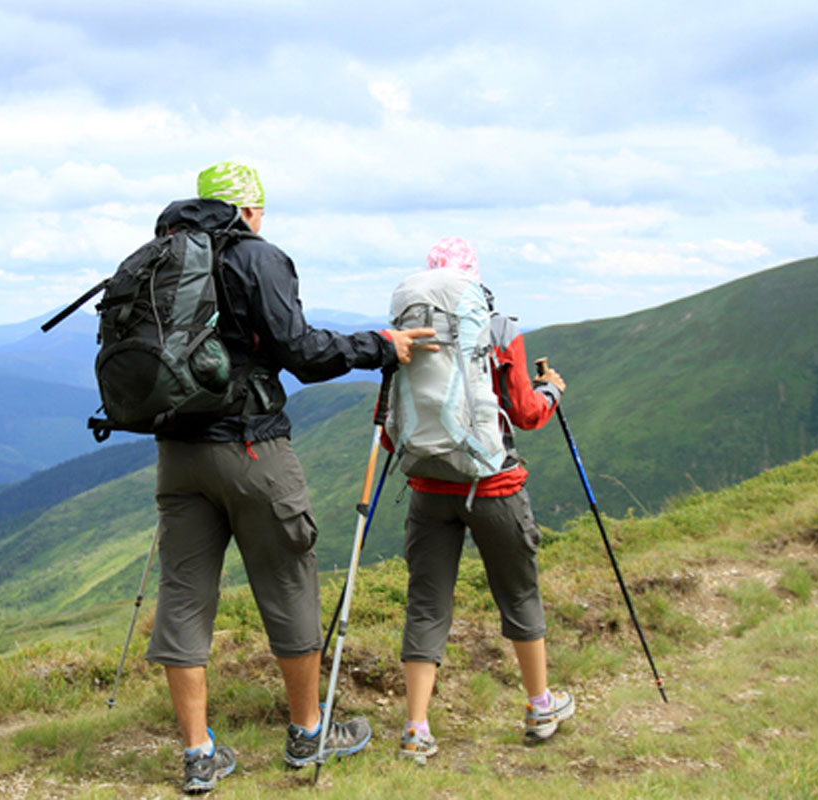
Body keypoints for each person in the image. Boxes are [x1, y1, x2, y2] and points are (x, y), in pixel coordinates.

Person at [144, 161, 437, 793]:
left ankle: (198, 754)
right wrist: (381, 346)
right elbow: (300, 351)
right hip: (251, 450)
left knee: (185, 595)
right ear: (249, 209)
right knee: (287, 582)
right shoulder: (259, 257)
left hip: (176, 453)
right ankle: (308, 733)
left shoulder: (159, 258)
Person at [388, 237, 575, 763]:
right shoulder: (497, 328)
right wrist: (553, 391)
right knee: (518, 594)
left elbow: (389, 423)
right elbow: (524, 411)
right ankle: (540, 707)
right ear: (472, 278)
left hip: (427, 488)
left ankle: (416, 729)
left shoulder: (408, 329)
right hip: (494, 485)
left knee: (427, 604)